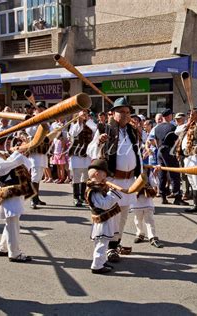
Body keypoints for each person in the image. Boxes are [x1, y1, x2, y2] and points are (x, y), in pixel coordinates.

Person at [88, 97, 143, 262]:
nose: (126, 115)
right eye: (122, 112)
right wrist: (99, 142)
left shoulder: (132, 131)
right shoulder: (104, 128)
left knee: (124, 214)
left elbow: (137, 153)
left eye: (128, 112)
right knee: (112, 215)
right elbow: (90, 150)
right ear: (113, 113)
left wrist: (141, 174)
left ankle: (116, 242)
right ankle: (110, 248)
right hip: (113, 180)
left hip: (129, 180)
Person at [0, 136, 33, 263]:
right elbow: (0, 170)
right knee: (13, 223)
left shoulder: (12, 155)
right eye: (7, 143)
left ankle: (3, 248)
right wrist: (16, 154)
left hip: (17, 191)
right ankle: (14, 253)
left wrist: (20, 151)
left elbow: (28, 164)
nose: (11, 145)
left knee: (12, 221)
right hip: (8, 192)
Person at [85, 159, 123, 274]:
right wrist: (114, 193)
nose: (106, 177)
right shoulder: (94, 190)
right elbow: (104, 205)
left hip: (103, 220)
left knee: (102, 241)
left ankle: (101, 261)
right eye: (104, 174)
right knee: (102, 242)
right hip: (102, 220)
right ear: (97, 174)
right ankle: (97, 266)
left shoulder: (98, 187)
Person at [175, 104, 197, 217]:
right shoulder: (187, 125)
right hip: (188, 157)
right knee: (192, 182)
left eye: (194, 114)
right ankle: (196, 205)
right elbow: (177, 131)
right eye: (190, 114)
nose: (191, 115)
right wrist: (189, 121)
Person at [25, 103, 50, 209]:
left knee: (39, 176)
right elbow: (30, 131)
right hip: (35, 151)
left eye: (43, 109)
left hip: (43, 151)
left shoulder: (45, 119)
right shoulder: (32, 119)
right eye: (40, 109)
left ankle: (36, 198)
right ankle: (32, 199)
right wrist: (37, 120)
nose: (41, 111)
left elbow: (49, 131)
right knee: (35, 176)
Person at [131, 170, 164, 248]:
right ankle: (140, 234)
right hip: (136, 200)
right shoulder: (131, 171)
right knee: (138, 219)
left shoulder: (148, 171)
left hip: (147, 200)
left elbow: (155, 183)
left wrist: (155, 174)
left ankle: (152, 237)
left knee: (149, 220)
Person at [68, 111, 94, 207]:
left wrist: (87, 121)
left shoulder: (90, 123)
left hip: (87, 154)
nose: (85, 115)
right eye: (83, 114)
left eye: (86, 114)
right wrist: (79, 121)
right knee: (76, 177)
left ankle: (83, 196)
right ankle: (76, 197)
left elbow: (95, 130)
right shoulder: (74, 124)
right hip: (77, 154)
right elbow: (74, 133)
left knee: (86, 177)